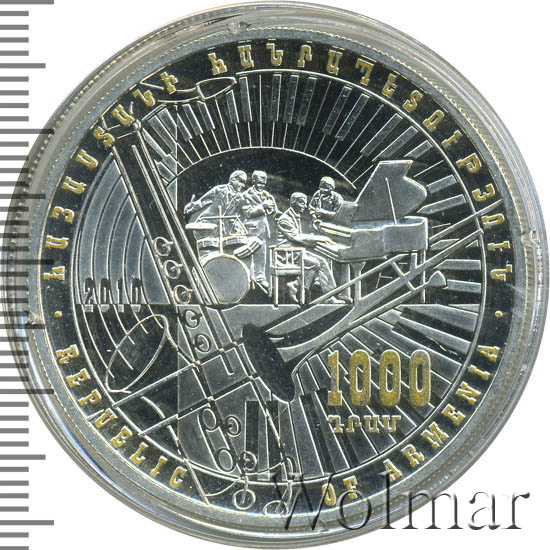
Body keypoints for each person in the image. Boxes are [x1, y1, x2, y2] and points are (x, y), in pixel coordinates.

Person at [277, 192, 346, 304]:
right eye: (302, 203)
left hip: (296, 251)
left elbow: (298, 238)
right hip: (287, 254)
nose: (305, 206)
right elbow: (296, 237)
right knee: (316, 263)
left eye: (305, 203)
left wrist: (314, 239)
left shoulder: (293, 216)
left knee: (322, 260)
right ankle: (323, 293)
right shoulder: (284, 219)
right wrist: (319, 239)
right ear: (293, 202)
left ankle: (298, 285)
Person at [241, 170, 278, 291]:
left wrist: (271, 209)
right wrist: (263, 206)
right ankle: (247, 278)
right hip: (251, 229)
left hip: (263, 229)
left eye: (264, 183)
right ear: (253, 181)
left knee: (262, 253)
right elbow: (248, 213)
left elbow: (274, 211)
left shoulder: (267, 195)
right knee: (249, 254)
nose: (262, 186)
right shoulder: (245, 195)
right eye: (260, 183)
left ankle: (260, 277)